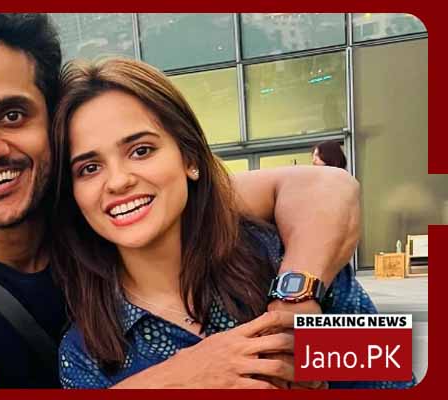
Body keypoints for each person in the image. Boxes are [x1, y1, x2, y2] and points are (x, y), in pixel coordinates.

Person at [0, 13, 361, 389]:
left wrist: (297, 296)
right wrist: (179, 378)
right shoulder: (84, 354)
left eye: (13, 114)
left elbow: (326, 188)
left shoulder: (269, 257)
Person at [50, 58, 413, 389]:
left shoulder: (291, 263)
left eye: (141, 150)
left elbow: (391, 377)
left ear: (190, 159)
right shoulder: (86, 351)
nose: (118, 181)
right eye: (89, 168)